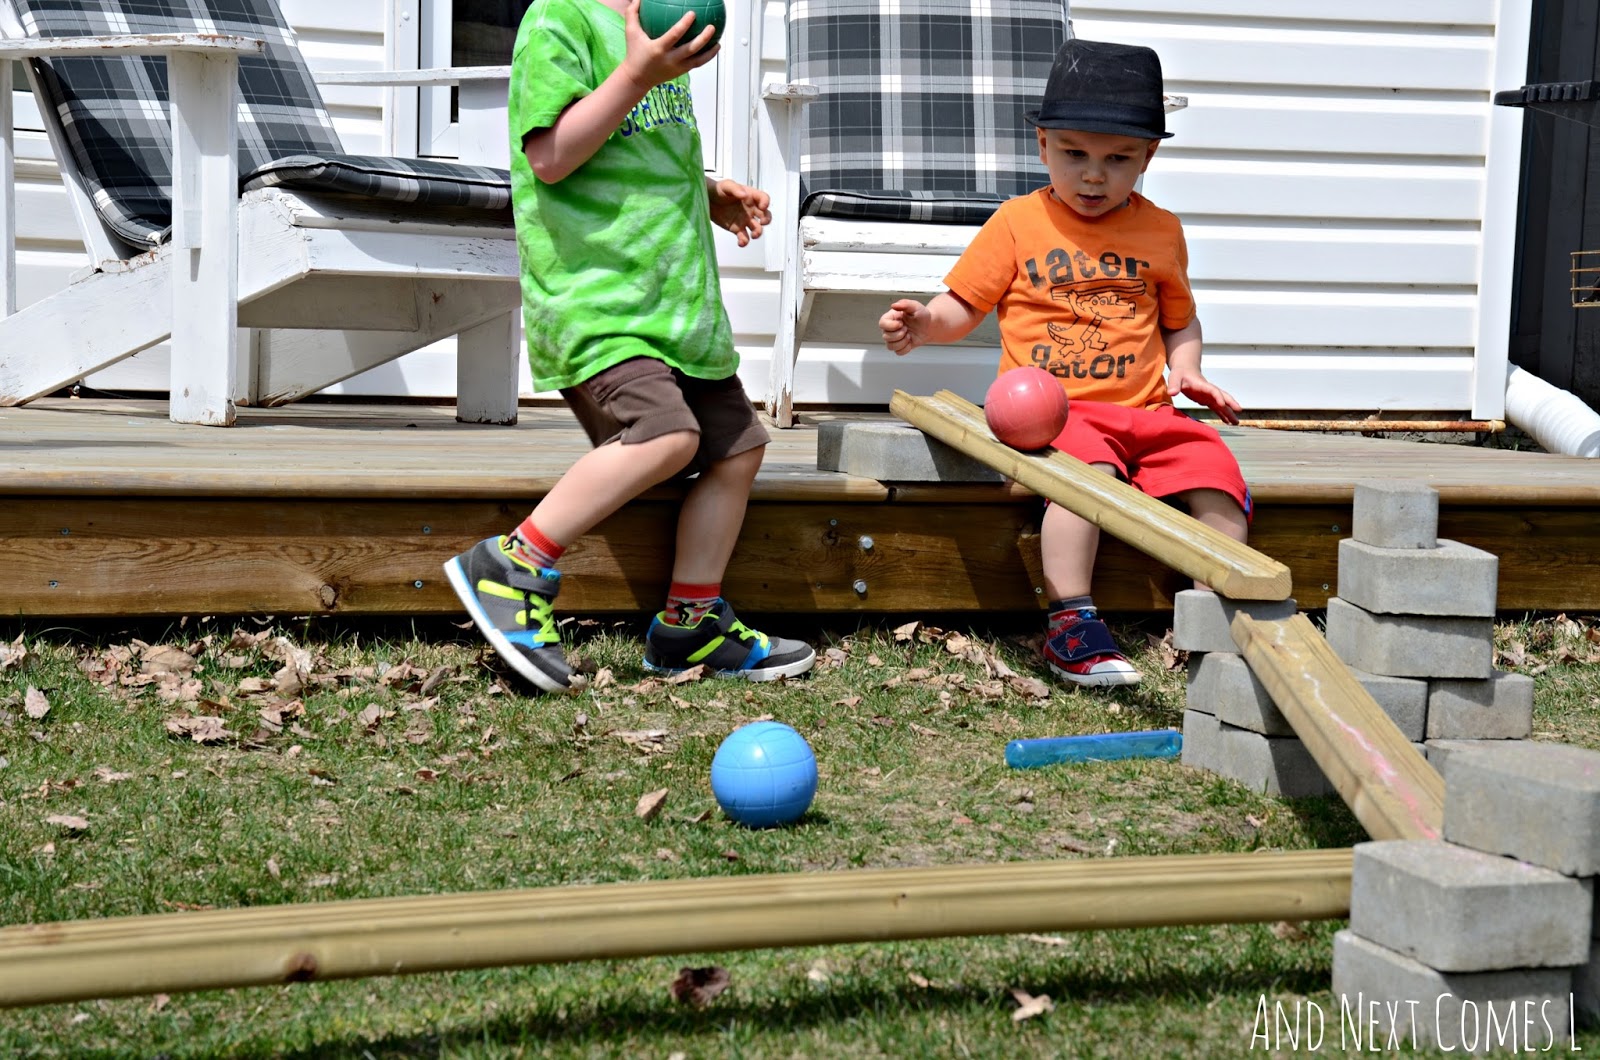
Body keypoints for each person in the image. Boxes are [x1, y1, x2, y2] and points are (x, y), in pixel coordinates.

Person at [445, 0, 816, 692]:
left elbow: (631, 152)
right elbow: (552, 157)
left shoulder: (656, 24)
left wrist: (709, 193)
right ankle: (512, 563)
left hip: (676, 307)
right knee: (667, 437)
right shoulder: (559, 20)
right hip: (600, 302)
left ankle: (691, 622)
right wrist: (639, 75)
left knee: (739, 449)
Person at [878, 38, 1250, 688]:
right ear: (1043, 145)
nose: (1093, 175)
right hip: (1056, 417)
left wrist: (1186, 368)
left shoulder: (1161, 231)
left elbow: (1179, 318)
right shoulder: (1018, 222)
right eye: (1074, 154)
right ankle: (1071, 623)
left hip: (1149, 411)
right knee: (1085, 482)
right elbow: (964, 305)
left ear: (1148, 157)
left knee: (1216, 473)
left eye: (1118, 158)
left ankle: (1220, 615)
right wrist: (924, 324)